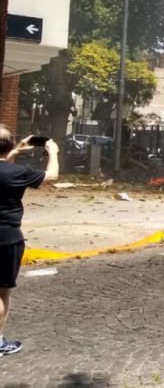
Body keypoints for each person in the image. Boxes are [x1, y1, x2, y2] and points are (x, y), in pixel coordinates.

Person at [0, 126, 59, 358]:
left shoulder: (12, 167)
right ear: (8, 146)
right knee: (1, 292)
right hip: (6, 238)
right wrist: (53, 152)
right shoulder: (16, 173)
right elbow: (51, 176)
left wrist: (15, 151)